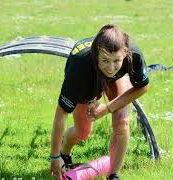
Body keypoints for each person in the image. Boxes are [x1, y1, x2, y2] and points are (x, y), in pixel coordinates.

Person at [50, 24, 150, 180]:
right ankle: (65, 151)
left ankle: (114, 175)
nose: (111, 68)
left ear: (124, 53)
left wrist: (108, 108)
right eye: (105, 60)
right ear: (96, 54)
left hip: (118, 79)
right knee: (82, 132)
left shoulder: (133, 54)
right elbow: (61, 113)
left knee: (121, 122)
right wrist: (55, 157)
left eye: (117, 60)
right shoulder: (79, 67)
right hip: (90, 77)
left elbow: (143, 87)